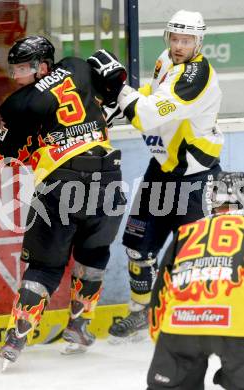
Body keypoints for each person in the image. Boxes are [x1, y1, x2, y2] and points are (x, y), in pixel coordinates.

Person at [0, 36, 127, 366]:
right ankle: (79, 326)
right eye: (15, 68)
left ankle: (16, 338)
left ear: (42, 66)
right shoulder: (78, 70)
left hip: (60, 183)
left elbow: (10, 147)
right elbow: (112, 88)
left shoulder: (21, 106)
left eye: (23, 68)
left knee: (45, 266)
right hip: (107, 177)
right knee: (94, 253)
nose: (17, 75)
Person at [89, 9, 224, 339]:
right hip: (162, 172)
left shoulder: (197, 77)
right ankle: (140, 313)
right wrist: (116, 102)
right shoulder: (166, 60)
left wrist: (120, 88)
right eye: (175, 38)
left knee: (195, 260)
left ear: (199, 41)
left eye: (187, 40)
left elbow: (148, 117)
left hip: (196, 180)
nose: (179, 45)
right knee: (138, 248)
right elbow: (152, 98)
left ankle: (197, 323)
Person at [147, 171, 244, 390]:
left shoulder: (187, 231)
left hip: (182, 323)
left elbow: (160, 290)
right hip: (236, 325)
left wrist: (164, 342)